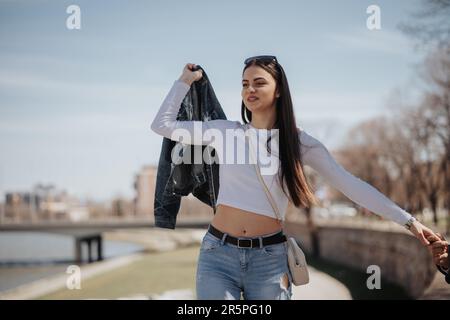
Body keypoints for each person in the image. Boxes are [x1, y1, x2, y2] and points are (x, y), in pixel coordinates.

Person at [151, 56, 437, 300]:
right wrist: (184, 81)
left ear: (278, 90)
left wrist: (409, 222)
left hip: (270, 261)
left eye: (259, 82)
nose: (250, 89)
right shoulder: (224, 132)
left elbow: (351, 186)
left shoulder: (299, 143)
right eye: (244, 83)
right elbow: (161, 125)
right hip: (218, 254)